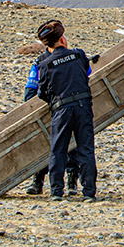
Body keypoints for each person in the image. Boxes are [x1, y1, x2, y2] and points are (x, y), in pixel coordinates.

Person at [36, 19, 98, 202]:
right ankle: (89, 191)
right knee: (85, 148)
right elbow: (86, 72)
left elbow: (42, 92)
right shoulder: (78, 55)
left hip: (61, 108)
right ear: (62, 39)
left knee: (58, 149)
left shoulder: (45, 64)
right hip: (83, 106)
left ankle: (56, 191)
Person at [23, 53, 80, 196]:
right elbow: (31, 88)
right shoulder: (41, 61)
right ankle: (39, 180)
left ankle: (71, 180)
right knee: (44, 143)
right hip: (51, 106)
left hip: (64, 105)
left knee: (70, 144)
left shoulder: (69, 57)